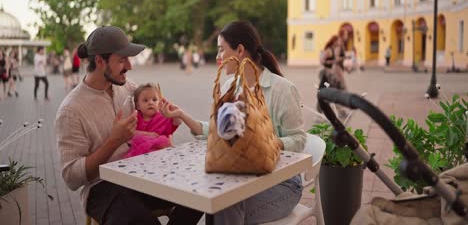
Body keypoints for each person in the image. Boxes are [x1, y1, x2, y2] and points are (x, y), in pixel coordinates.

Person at [160, 21, 306, 225]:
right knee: (203, 191)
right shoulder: (230, 87)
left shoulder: (282, 89)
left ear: (239, 50)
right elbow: (216, 132)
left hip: (281, 183)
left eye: (221, 50)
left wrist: (266, 144)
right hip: (240, 176)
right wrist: (182, 116)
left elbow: (299, 139)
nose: (218, 57)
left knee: (223, 202)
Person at [55, 26, 203, 225]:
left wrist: (168, 115)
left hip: (143, 173)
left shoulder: (127, 87)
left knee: (198, 193)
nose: (130, 66)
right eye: (122, 59)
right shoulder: (71, 110)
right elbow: (72, 177)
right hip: (103, 187)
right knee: (140, 220)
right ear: (100, 61)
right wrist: (114, 141)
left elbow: (158, 114)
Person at [123, 83, 179, 158]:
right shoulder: (135, 117)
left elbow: (175, 123)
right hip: (140, 155)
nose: (150, 102)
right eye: (145, 100)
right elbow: (130, 133)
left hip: (161, 154)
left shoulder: (163, 117)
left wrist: (175, 114)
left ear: (159, 102)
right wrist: (147, 134)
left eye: (154, 100)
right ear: (138, 106)